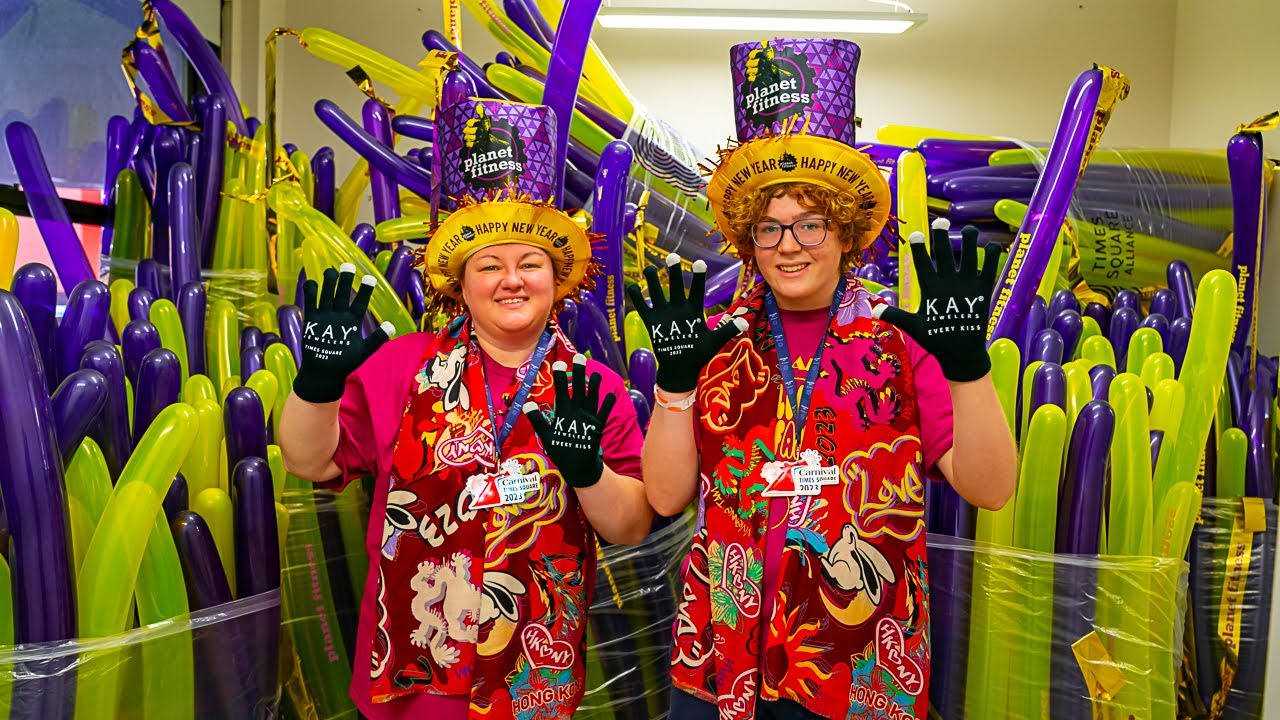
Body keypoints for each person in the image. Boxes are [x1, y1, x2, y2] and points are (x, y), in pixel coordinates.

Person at [629, 38, 1017, 719]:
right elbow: (664, 496)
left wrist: (968, 370)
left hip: (860, 658)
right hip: (722, 656)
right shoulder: (714, 341)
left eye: (810, 224)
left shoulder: (901, 341)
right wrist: (675, 386)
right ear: (747, 241)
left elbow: (990, 488)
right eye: (769, 229)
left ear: (844, 232)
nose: (789, 245)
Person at [279, 97, 652, 720]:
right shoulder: (403, 366)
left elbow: (631, 526)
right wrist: (315, 384)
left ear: (557, 279)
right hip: (411, 684)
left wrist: (589, 473)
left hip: (535, 683)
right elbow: (306, 458)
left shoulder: (594, 389)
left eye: (530, 263)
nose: (512, 279)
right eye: (490, 265)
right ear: (459, 282)